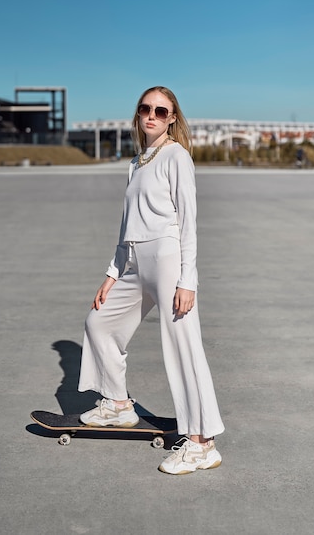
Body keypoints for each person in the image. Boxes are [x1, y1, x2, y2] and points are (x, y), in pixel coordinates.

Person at [78, 86, 225, 475]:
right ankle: (118, 405)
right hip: (133, 261)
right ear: (138, 114)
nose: (152, 116)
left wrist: (187, 279)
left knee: (182, 347)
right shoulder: (136, 162)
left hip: (167, 258)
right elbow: (127, 224)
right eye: (146, 109)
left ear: (172, 118)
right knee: (99, 322)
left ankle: (201, 443)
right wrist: (113, 273)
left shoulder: (177, 156)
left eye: (161, 111)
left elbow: (189, 221)